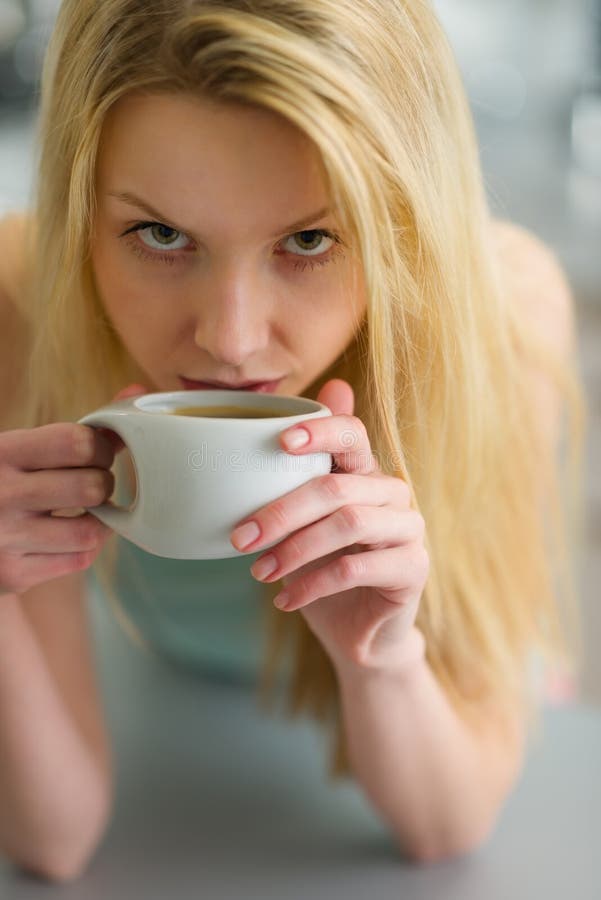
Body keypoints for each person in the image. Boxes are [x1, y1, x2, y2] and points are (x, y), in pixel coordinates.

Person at [0, 0, 586, 884]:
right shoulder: (21, 308)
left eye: (308, 240)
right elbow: (55, 838)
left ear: (400, 226)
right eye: (159, 235)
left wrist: (381, 654)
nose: (230, 341)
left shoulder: (498, 323)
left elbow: (445, 822)